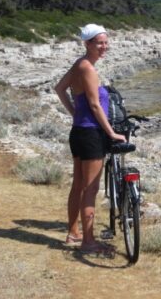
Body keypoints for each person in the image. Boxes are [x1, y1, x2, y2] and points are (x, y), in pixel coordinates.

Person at [55, 23, 126, 254]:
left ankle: (73, 233)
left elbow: (60, 88)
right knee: (90, 189)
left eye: (106, 42)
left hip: (78, 132)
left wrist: (75, 113)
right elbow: (95, 105)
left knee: (78, 185)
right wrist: (111, 132)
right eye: (99, 43)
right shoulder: (88, 68)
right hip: (91, 135)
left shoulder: (79, 65)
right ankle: (88, 241)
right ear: (87, 44)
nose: (104, 47)